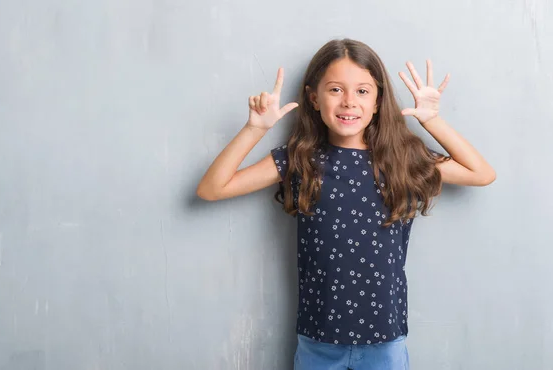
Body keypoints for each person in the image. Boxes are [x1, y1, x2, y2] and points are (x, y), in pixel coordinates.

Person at [196, 39, 495, 370]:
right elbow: (212, 188)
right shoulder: (300, 159)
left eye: (363, 92)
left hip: (386, 337)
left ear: (379, 101)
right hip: (318, 339)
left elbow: (481, 173)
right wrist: (254, 128)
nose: (349, 102)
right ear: (314, 98)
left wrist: (432, 120)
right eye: (335, 90)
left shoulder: (402, 158)